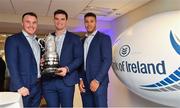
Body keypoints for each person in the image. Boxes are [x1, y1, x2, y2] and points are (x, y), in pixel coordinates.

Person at [42, 9, 83, 107]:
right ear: (53, 20)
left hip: (66, 81)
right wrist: (42, 60)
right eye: (56, 19)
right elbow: (43, 55)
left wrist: (67, 69)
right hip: (49, 82)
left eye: (62, 19)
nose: (59, 21)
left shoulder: (75, 38)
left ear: (66, 21)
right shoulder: (48, 37)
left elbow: (79, 58)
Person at [5, 12, 41, 107]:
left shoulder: (37, 42)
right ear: (22, 23)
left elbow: (34, 62)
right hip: (23, 86)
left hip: (37, 86)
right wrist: (19, 86)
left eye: (34, 22)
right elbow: (11, 64)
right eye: (28, 22)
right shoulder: (13, 40)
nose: (31, 25)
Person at [78, 12, 112, 107]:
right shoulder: (81, 41)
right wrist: (80, 79)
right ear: (84, 23)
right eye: (86, 22)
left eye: (91, 21)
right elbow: (81, 62)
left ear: (96, 22)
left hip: (99, 82)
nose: (89, 24)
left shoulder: (104, 38)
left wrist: (97, 80)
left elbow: (107, 60)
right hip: (84, 82)